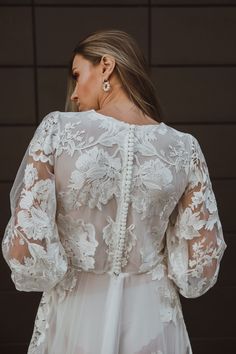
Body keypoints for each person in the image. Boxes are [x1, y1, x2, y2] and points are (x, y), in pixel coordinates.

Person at [2, 29, 227, 354]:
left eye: (78, 75)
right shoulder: (185, 149)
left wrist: (67, 265)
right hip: (152, 323)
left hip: (75, 319)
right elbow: (199, 269)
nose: (75, 93)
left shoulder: (58, 131)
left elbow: (25, 251)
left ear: (106, 66)